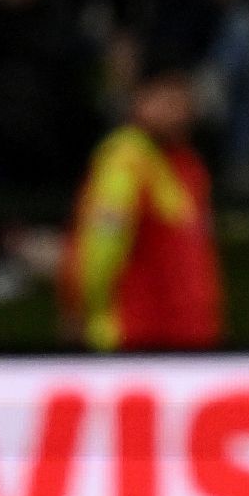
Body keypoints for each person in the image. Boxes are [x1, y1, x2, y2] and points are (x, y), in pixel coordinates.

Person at [60, 60, 222, 350]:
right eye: (166, 99)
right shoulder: (126, 159)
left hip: (190, 339)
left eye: (183, 100)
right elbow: (99, 248)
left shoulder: (189, 165)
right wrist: (79, 310)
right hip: (134, 341)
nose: (178, 111)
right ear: (139, 99)